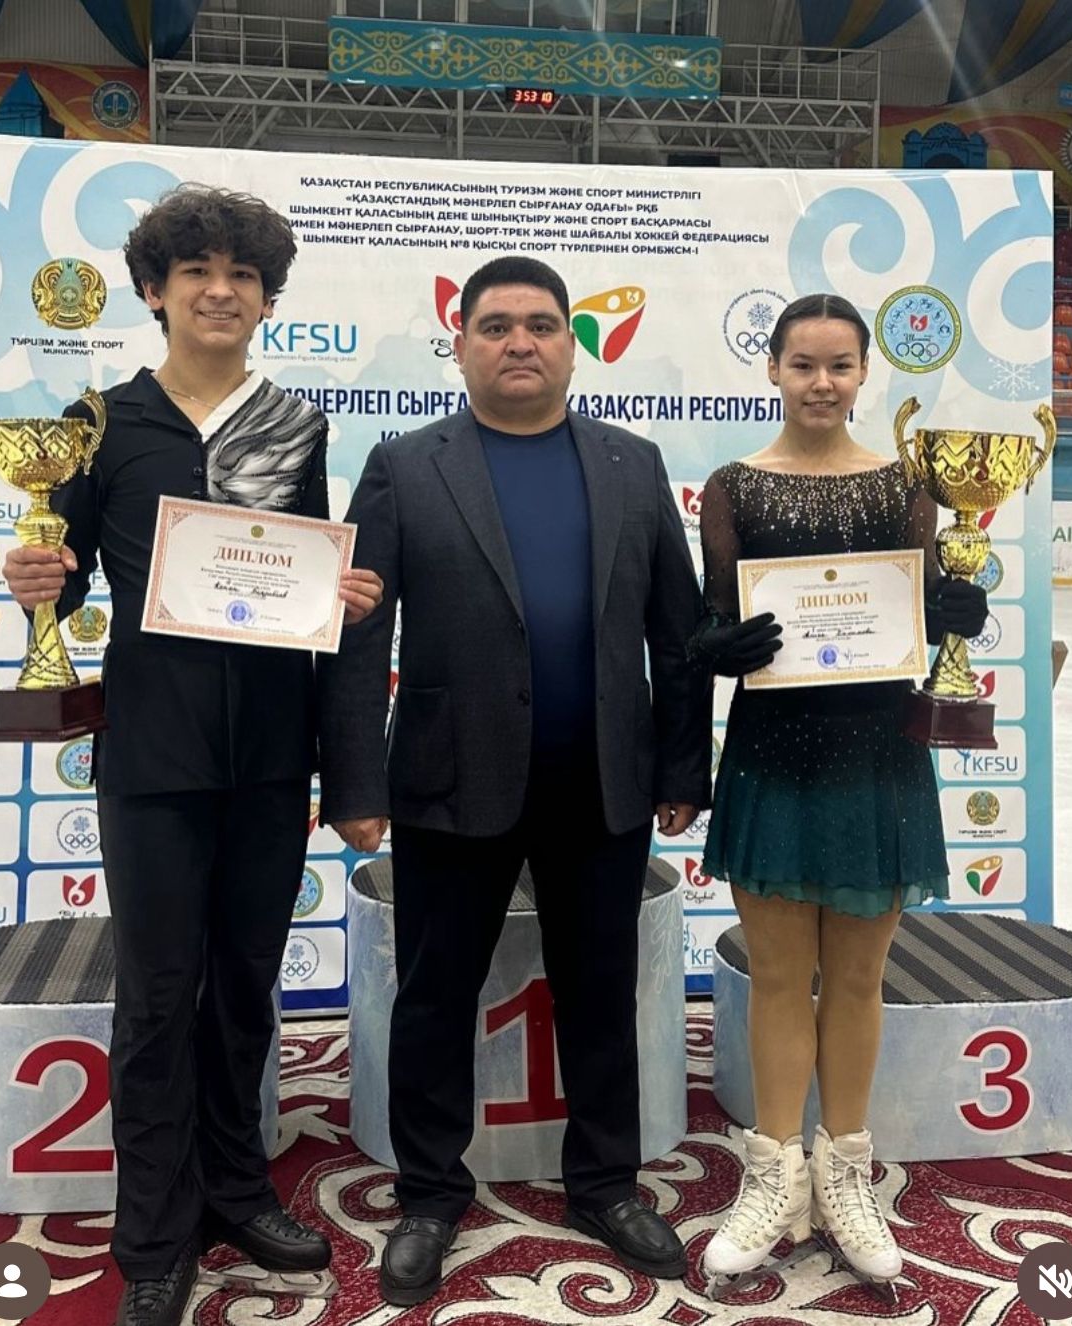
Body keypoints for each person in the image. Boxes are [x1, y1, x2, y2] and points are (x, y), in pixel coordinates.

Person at [1, 185, 383, 1326]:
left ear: (267, 299)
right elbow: (63, 574)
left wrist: (341, 597)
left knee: (246, 989)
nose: (221, 291)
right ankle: (156, 1237)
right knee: (161, 998)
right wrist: (37, 582)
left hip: (269, 752)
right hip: (154, 753)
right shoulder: (98, 421)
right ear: (155, 291)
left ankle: (236, 1191)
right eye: (198, 272)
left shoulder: (295, 425)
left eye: (243, 275)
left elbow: (304, 576)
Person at [319, 255, 712, 1306]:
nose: (520, 342)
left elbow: (675, 632)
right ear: (459, 345)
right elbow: (358, 633)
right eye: (495, 326)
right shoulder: (404, 466)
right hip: (450, 779)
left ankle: (605, 1184)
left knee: (600, 993)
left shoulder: (634, 463)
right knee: (435, 996)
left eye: (541, 324)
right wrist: (353, 781)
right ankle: (428, 1196)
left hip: (603, 780)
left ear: (573, 344)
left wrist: (684, 764)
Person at [692, 294, 987, 1299]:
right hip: (773, 755)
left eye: (840, 365)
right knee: (779, 980)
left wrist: (956, 613)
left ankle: (846, 1171)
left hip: (876, 756)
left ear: (865, 374)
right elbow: (711, 617)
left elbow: (919, 617)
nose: (822, 383)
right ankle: (772, 1173)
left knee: (858, 981)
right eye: (803, 364)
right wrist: (715, 645)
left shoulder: (909, 485)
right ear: (772, 370)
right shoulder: (732, 488)